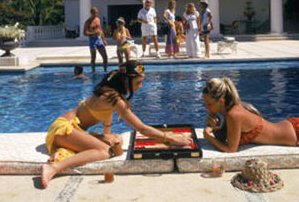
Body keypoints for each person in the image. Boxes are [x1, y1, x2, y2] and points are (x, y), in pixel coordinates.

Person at [41, 61, 192, 188]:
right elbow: (141, 128)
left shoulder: (108, 92)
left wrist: (107, 135)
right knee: (104, 151)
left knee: (114, 140)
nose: (141, 86)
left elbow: (106, 118)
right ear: (126, 81)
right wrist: (169, 138)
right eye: (139, 82)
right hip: (63, 130)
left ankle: (64, 151)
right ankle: (54, 167)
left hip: (69, 129)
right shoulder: (114, 98)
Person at [83, 7, 108, 72]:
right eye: (94, 13)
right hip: (92, 39)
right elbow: (85, 33)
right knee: (93, 57)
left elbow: (100, 30)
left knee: (105, 56)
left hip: (99, 39)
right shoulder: (88, 22)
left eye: (97, 13)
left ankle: (105, 70)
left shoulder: (98, 19)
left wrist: (104, 39)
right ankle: (93, 71)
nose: (96, 14)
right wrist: (93, 33)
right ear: (91, 13)